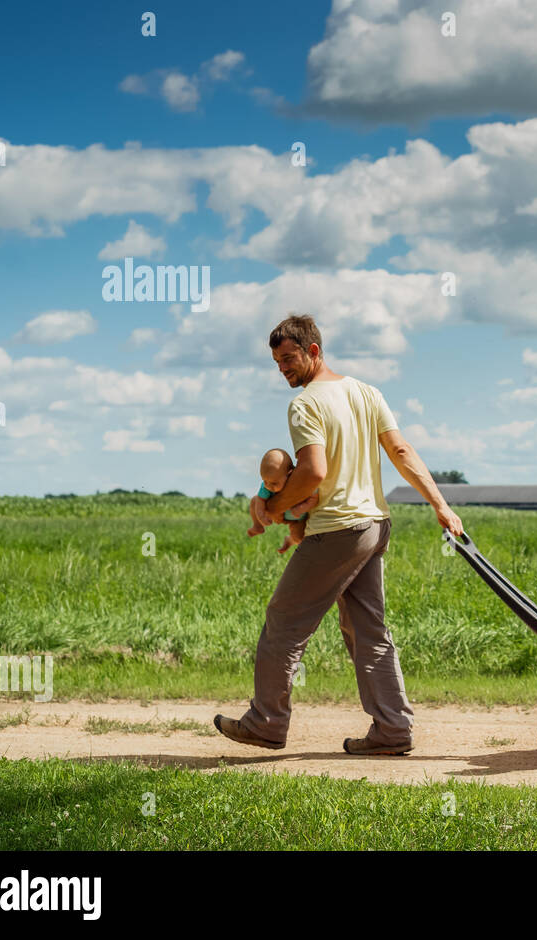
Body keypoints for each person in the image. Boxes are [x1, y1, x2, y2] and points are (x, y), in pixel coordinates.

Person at [215, 313, 463, 755]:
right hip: (375, 525)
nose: (284, 369)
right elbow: (401, 451)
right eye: (277, 363)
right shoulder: (367, 392)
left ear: (314, 351)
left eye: (289, 358)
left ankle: (266, 722)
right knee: (369, 631)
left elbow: (313, 471)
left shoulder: (306, 404)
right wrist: (439, 504)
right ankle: (392, 729)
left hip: (338, 531)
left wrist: (272, 507)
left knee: (284, 623)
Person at [246, 447, 320, 553]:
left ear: (289, 474)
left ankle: (290, 540)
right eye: (264, 480)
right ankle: (257, 526)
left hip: (296, 519)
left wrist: (301, 509)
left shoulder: (299, 484)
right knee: (255, 501)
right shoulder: (267, 485)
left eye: (274, 483)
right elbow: (261, 500)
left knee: (299, 537)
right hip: (277, 512)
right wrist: (261, 515)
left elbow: (314, 498)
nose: (268, 486)